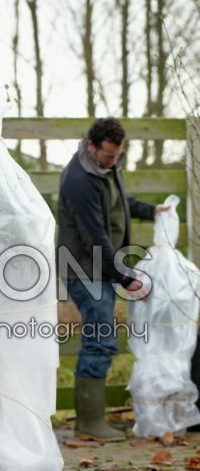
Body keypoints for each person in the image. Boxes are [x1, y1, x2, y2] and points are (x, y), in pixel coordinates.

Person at [57, 117, 169, 442]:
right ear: (91, 146)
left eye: (117, 156)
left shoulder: (105, 167)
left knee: (101, 337)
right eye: (108, 156)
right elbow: (95, 237)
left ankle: (92, 419)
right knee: (100, 339)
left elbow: (122, 205)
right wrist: (125, 276)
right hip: (84, 268)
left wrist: (152, 211)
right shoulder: (79, 180)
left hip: (102, 267)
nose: (114, 161)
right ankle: (89, 423)